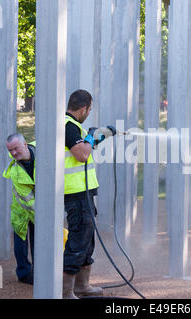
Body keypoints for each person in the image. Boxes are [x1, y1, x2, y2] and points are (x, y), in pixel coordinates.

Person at [62, 89, 106, 299]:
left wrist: (93, 138)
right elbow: (81, 155)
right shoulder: (68, 126)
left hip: (82, 193)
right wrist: (91, 136)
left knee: (87, 240)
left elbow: (82, 150)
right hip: (75, 194)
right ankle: (66, 291)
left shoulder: (73, 126)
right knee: (78, 240)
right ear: (84, 108)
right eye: (89, 109)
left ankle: (82, 287)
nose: (89, 112)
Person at [3, 133, 36, 285]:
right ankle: (24, 273)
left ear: (25, 144)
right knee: (21, 243)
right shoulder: (15, 172)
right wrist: (46, 216)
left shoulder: (40, 151)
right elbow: (30, 202)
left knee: (38, 240)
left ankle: (40, 269)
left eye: (16, 148)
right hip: (22, 209)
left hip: (37, 206)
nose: (14, 153)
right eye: (10, 151)